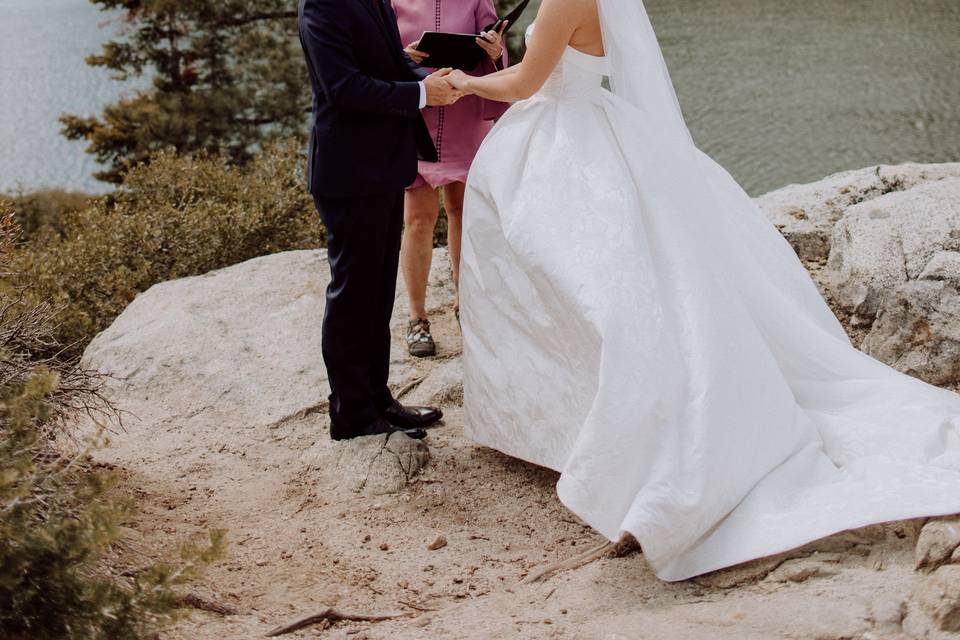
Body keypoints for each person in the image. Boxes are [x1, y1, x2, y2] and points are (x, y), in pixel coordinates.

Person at [445, 0, 960, 581]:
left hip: (567, 137)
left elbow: (526, 83)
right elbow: (554, 61)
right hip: (578, 127)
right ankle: (568, 428)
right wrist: (494, 53)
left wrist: (463, 82)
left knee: (594, 292)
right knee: (572, 284)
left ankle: (630, 439)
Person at [297, 0, 460, 441]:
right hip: (348, 172)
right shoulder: (321, 6)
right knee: (352, 295)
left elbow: (390, 66)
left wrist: (431, 80)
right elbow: (343, 88)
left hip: (387, 165)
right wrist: (424, 95)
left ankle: (378, 399)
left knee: (377, 289)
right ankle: (350, 413)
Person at [391, 0, 509, 357]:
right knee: (418, 218)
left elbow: (496, 49)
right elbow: (377, 55)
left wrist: (495, 49)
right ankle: (417, 318)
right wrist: (402, 58)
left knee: (462, 210)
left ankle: (465, 304)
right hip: (417, 109)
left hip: (463, 108)